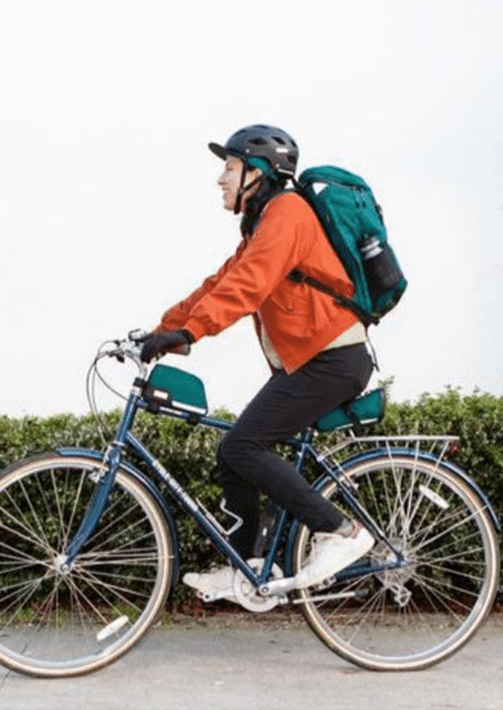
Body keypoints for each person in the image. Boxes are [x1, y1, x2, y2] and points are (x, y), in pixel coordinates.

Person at [139, 124, 375, 601]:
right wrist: (166, 328)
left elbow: (249, 285)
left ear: (257, 172)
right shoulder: (262, 224)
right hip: (313, 361)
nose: (221, 180)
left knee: (244, 446)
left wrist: (191, 332)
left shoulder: (287, 213)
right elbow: (220, 283)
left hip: (333, 358)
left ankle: (343, 532)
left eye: (229, 168)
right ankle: (246, 567)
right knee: (234, 453)